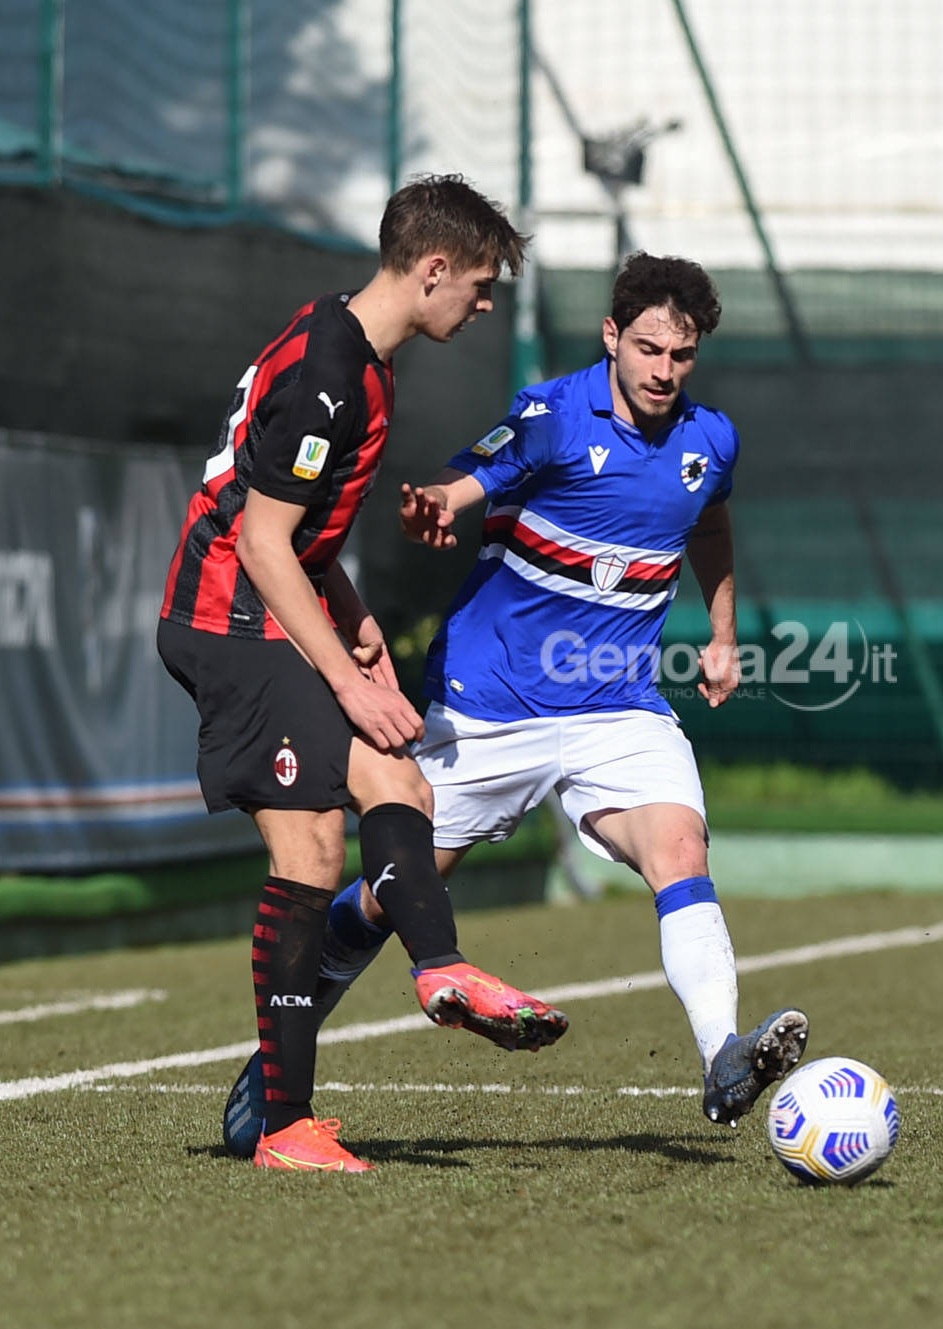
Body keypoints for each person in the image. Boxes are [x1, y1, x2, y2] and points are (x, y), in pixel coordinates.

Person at [219, 251, 809, 1157]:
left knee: (679, 846)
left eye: (681, 356)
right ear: (612, 336)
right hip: (490, 706)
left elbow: (713, 523)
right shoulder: (552, 414)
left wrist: (722, 632)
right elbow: (477, 476)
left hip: (619, 707)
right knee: (390, 895)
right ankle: (274, 1071)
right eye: (648, 348)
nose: (663, 370)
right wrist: (438, 501)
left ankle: (722, 1055)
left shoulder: (710, 440)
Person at [157, 174, 565, 1174]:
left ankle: (432, 972)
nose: (481, 307)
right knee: (310, 855)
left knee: (397, 779)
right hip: (235, 619)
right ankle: (288, 1117)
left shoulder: (349, 351)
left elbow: (296, 538)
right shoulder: (331, 373)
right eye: (476, 287)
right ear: (432, 269)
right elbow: (259, 540)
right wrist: (342, 674)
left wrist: (358, 619)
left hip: (266, 610)